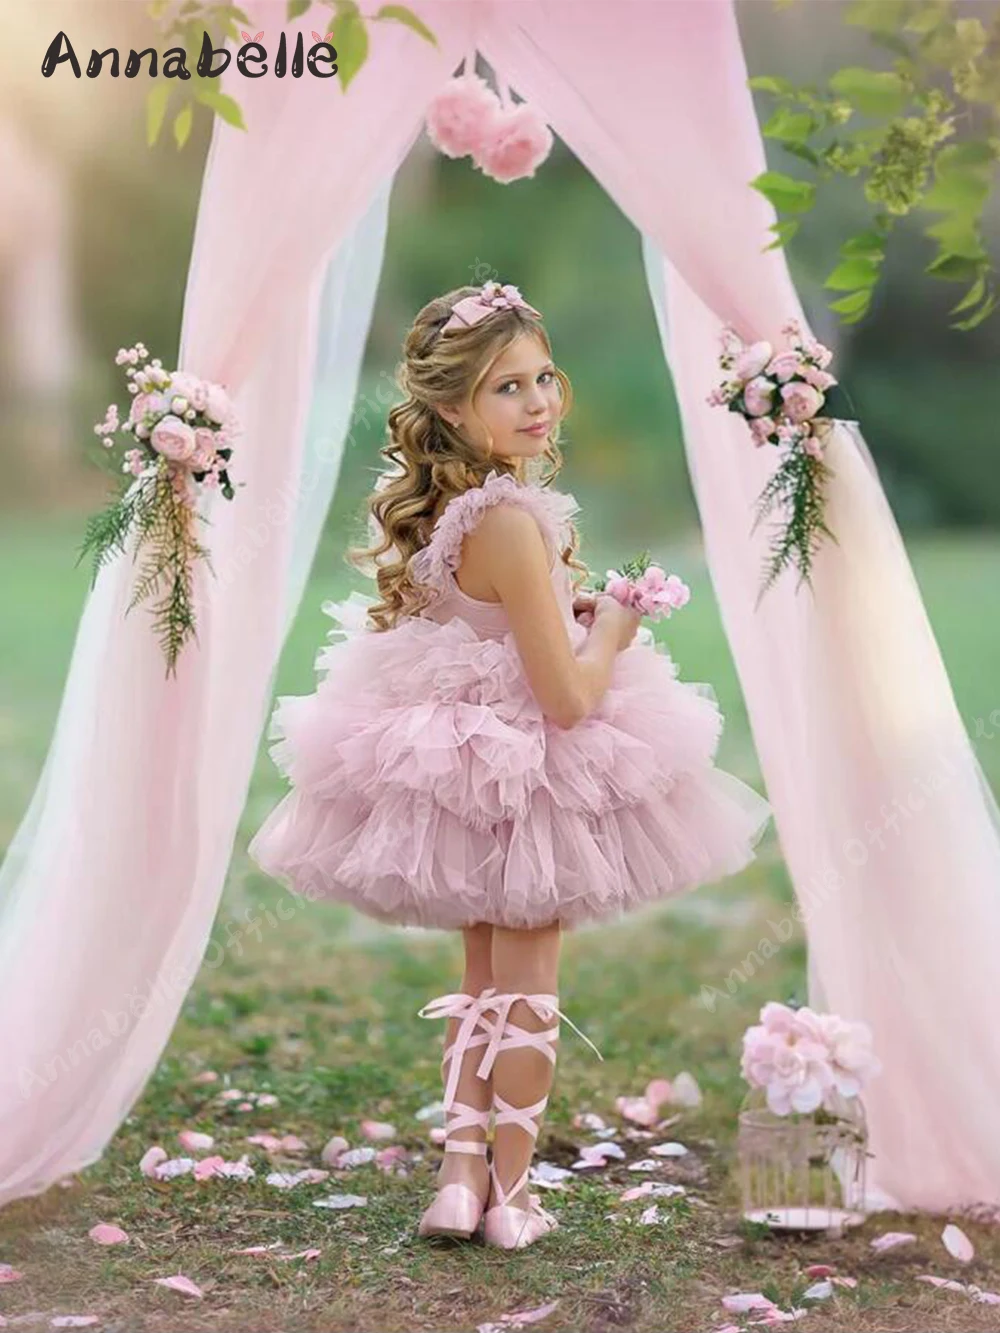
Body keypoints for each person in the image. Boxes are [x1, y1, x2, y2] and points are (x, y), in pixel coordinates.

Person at [247, 279, 772, 1250]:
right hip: (527, 776)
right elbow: (568, 701)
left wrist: (560, 617)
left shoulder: (458, 515)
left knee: (481, 979)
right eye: (505, 388)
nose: (537, 403)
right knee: (527, 986)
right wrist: (612, 623)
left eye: (542, 378)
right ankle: (513, 1196)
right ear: (451, 407)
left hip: (468, 766)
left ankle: (458, 1178)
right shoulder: (515, 524)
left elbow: (490, 632)